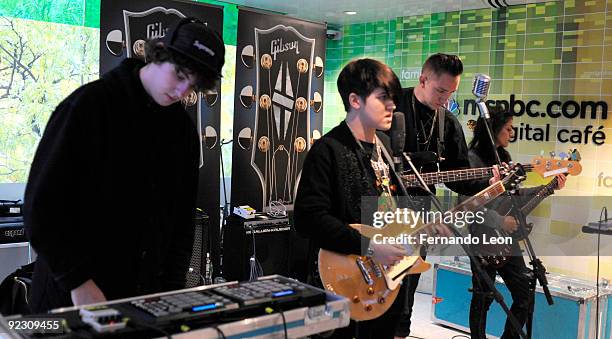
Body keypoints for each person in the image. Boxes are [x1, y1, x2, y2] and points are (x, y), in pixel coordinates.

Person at [23, 18, 225, 312]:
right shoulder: (89, 106)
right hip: (68, 298)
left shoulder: (183, 132)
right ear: (158, 54)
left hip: (141, 301)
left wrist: (169, 293)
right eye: (180, 75)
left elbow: (181, 224)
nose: (183, 91)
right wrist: (78, 282)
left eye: (193, 85)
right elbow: (40, 207)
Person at [294, 58, 408, 338]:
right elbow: (308, 219)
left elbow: (385, 211)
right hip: (342, 284)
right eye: (383, 98)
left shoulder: (383, 148)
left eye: (392, 98)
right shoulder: (328, 150)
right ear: (355, 100)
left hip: (382, 286)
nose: (392, 105)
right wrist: (370, 246)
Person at [391, 53, 495, 338]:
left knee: (407, 291)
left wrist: (490, 179)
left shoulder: (448, 122)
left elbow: (460, 177)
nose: (446, 98)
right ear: (423, 79)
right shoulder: (390, 106)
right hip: (380, 209)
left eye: (451, 92)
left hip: (419, 214)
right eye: (440, 90)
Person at [466, 108, 565, 339]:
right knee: (483, 298)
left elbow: (515, 196)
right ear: (494, 130)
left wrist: (549, 187)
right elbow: (468, 203)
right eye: (508, 128)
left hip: (506, 240)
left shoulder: (506, 159)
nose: (512, 132)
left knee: (524, 295)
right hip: (482, 238)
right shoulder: (472, 159)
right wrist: (500, 221)